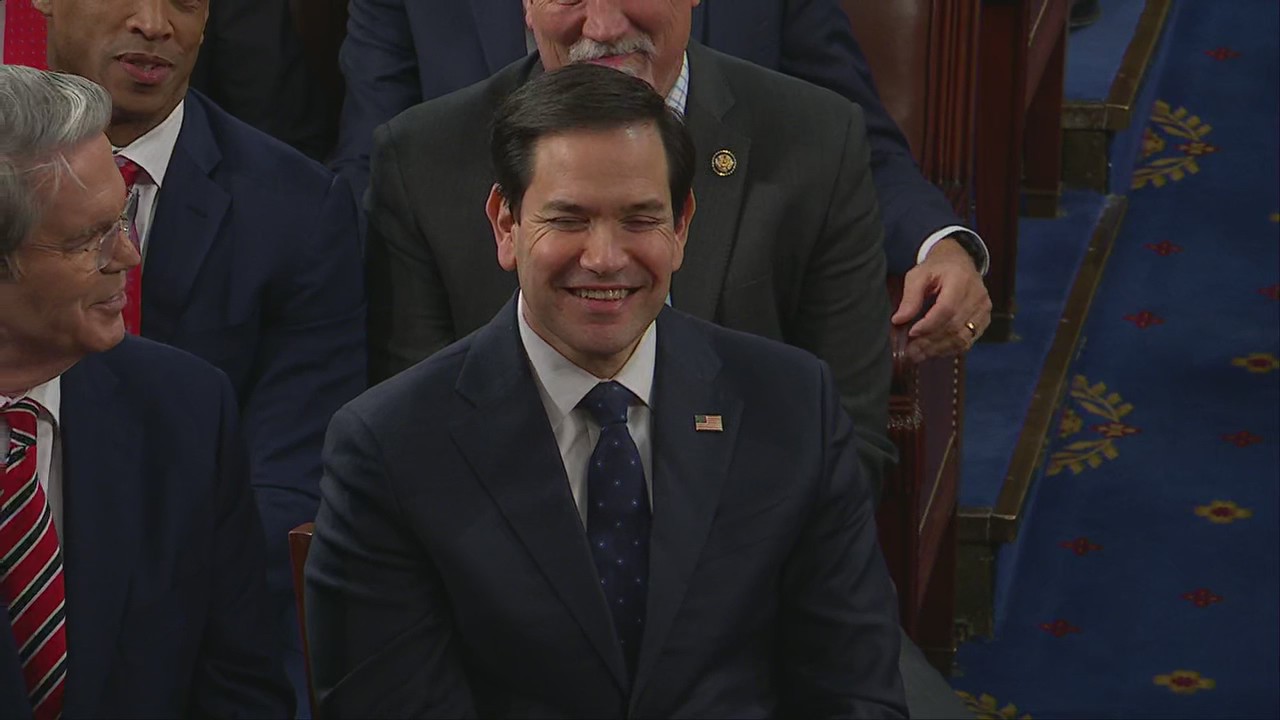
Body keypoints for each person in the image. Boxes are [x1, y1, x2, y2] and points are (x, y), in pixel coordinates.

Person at [306, 63, 907, 718]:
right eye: (568, 219)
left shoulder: (792, 407)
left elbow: (854, 691)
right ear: (506, 224)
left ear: (681, 227)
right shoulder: (391, 447)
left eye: (640, 219)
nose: (604, 258)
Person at [364, 0, 897, 492]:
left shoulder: (818, 143)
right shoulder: (422, 162)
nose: (602, 26)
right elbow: (418, 446)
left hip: (755, 543)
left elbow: (846, 444)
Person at [32, 0, 366, 712]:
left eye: (185, 0)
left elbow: (288, 479)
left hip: (208, 629)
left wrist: (126, 623)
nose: (155, 23)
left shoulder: (300, 211)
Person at [338, 0, 992, 361]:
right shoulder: (422, 156)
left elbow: (852, 147)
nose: (603, 26)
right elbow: (371, 180)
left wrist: (938, 243)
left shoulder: (807, 130)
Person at [0, 64, 293, 718]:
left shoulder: (185, 411)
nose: (128, 256)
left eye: (123, 219)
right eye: (88, 240)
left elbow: (242, 690)